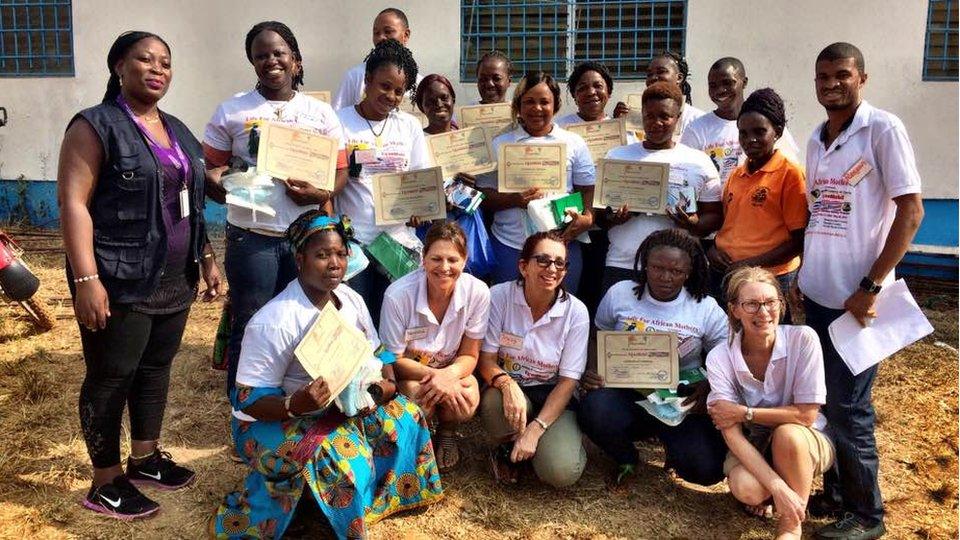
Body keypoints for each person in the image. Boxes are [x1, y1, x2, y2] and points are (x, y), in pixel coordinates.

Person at [57, 31, 223, 519]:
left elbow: (190, 200)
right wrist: (87, 280)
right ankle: (105, 481)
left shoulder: (175, 129)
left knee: (155, 369)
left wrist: (207, 257)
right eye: (144, 60)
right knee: (111, 376)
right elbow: (73, 203)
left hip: (174, 278)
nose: (157, 69)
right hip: (118, 276)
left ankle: (146, 458)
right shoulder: (96, 125)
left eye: (165, 63)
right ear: (118, 68)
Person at [211, 210, 443, 539]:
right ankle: (317, 507)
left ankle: (360, 500)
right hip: (273, 420)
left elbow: (379, 354)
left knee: (407, 416)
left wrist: (384, 388)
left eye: (340, 253)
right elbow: (248, 402)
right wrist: (296, 404)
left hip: (340, 405)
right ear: (300, 258)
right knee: (345, 462)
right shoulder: (275, 320)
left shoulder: (350, 299)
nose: (334, 263)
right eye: (322, 255)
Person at [799, 42, 923, 540]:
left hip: (858, 302)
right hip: (817, 295)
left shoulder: (883, 129)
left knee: (851, 407)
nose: (831, 83)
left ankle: (868, 515)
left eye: (842, 74)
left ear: (862, 79)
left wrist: (871, 285)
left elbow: (911, 211)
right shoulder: (816, 136)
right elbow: (820, 212)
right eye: (823, 75)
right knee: (825, 400)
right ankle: (836, 491)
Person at [203, 21, 348, 394]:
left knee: (307, 321)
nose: (271, 61)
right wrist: (222, 184)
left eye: (279, 53)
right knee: (251, 322)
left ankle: (295, 402)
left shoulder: (320, 114)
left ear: (296, 61)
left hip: (306, 239)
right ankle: (244, 411)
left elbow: (340, 175)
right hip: (252, 239)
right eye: (261, 55)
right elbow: (211, 169)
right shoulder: (232, 111)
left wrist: (316, 194)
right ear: (252, 62)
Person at [578, 229, 728, 486]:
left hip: (679, 399)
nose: (666, 277)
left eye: (676, 271)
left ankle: (673, 448)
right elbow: (597, 334)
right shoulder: (620, 293)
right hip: (626, 391)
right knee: (594, 409)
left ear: (689, 272)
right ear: (644, 264)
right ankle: (626, 454)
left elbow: (726, 354)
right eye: (657, 267)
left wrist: (710, 386)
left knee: (706, 471)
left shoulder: (704, 307)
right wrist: (593, 369)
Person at [707, 266, 834, 540]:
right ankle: (781, 494)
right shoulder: (719, 356)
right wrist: (777, 487)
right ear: (734, 310)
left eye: (770, 302)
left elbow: (806, 416)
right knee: (746, 488)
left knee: (788, 434)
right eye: (751, 304)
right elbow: (730, 431)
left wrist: (745, 412)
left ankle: (790, 525)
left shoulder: (804, 339)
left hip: (803, 438)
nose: (763, 313)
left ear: (782, 304)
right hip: (753, 442)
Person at [477, 232, 589, 487]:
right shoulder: (499, 296)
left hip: (554, 395)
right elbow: (486, 360)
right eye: (543, 260)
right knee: (495, 402)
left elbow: (568, 382)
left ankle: (543, 442)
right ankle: (507, 450)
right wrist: (507, 385)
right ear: (523, 266)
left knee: (560, 473)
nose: (552, 269)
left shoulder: (576, 311)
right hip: (511, 388)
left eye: (560, 263)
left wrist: (536, 429)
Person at [379, 222, 491, 471]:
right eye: (436, 259)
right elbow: (390, 357)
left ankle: (447, 431)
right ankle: (421, 434)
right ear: (423, 259)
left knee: (468, 400)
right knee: (418, 398)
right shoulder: (397, 295)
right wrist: (436, 377)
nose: (444, 267)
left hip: (452, 370)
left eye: (453, 259)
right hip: (411, 372)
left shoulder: (478, 292)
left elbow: (470, 355)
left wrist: (448, 376)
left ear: (464, 260)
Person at [335, 38, 428, 326]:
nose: (391, 96)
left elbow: (420, 178)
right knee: (356, 321)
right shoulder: (338, 121)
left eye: (399, 91)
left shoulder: (408, 125)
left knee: (393, 322)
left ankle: (390, 372)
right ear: (367, 80)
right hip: (354, 244)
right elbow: (328, 183)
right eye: (384, 86)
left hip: (396, 243)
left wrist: (419, 209)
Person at [476, 71, 596, 293]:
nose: (537, 108)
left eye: (544, 102)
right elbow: (482, 194)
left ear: (556, 105)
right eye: (529, 101)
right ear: (518, 106)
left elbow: (587, 190)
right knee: (508, 314)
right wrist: (514, 199)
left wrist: (587, 218)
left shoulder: (574, 143)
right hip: (510, 245)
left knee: (560, 314)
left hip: (560, 245)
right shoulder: (499, 144)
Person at [600, 82, 722, 290]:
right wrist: (614, 218)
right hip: (623, 264)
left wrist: (692, 224)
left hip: (678, 268)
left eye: (664, 116)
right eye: (649, 116)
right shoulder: (617, 157)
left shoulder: (698, 161)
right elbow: (600, 215)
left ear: (678, 117)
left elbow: (715, 216)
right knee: (614, 323)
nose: (656, 123)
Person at [707, 88, 809, 317]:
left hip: (769, 279)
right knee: (726, 341)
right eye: (743, 133)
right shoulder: (736, 174)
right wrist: (713, 249)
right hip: (725, 274)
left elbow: (798, 241)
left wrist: (750, 264)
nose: (750, 139)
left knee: (762, 345)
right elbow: (731, 225)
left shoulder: (790, 174)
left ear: (778, 132)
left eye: (759, 131)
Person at [681, 58, 800, 187]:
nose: (720, 90)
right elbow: (686, 175)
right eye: (713, 85)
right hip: (714, 205)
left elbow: (789, 169)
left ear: (744, 82)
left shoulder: (768, 125)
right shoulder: (696, 129)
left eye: (727, 83)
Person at [331, 7, 423, 111]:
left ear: (406, 35)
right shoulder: (355, 77)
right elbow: (337, 118)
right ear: (368, 79)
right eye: (376, 33)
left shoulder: (420, 84)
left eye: (388, 31)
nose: (381, 38)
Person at [615, 51, 705, 141]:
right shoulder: (634, 114)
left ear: (679, 78)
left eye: (661, 72)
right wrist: (617, 123)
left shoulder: (697, 119)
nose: (653, 78)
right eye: (649, 74)